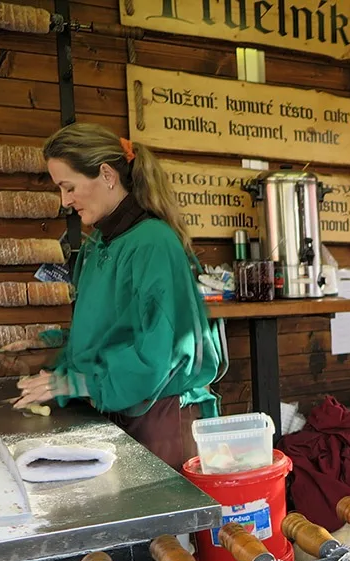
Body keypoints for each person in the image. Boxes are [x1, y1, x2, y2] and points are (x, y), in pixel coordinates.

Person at [14, 123, 223, 470]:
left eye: (69, 187)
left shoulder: (153, 243)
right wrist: (45, 347)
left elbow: (156, 353)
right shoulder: (100, 245)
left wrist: (76, 381)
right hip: (123, 405)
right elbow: (107, 330)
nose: (65, 201)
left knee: (165, 523)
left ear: (107, 175)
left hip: (161, 415)